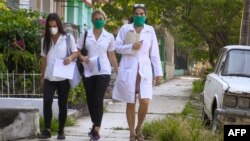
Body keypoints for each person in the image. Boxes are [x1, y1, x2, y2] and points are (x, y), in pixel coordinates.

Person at [112, 4, 163, 141]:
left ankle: (139, 127)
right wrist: (131, 47)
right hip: (129, 67)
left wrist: (158, 73)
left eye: (141, 14)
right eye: (136, 14)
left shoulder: (150, 30)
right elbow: (117, 48)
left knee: (145, 101)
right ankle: (131, 133)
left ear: (145, 16)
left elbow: (155, 54)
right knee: (130, 101)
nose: (139, 16)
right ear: (133, 15)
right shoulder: (125, 29)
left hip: (144, 69)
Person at [77, 9, 118, 141]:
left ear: (105, 20)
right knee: (90, 99)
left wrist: (117, 71)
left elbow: (112, 55)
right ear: (92, 20)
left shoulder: (109, 36)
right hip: (88, 70)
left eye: (101, 18)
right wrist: (82, 57)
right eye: (96, 18)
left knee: (98, 98)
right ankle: (95, 123)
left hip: (103, 71)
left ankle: (96, 130)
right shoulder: (85, 34)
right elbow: (76, 51)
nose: (99, 21)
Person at [39, 13, 79, 140]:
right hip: (49, 77)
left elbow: (76, 52)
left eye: (55, 26)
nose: (53, 28)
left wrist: (70, 58)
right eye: (50, 26)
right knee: (47, 101)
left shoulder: (68, 38)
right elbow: (44, 59)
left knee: (63, 104)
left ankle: (61, 130)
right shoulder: (44, 40)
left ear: (59, 25)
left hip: (63, 76)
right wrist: (42, 77)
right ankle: (47, 130)